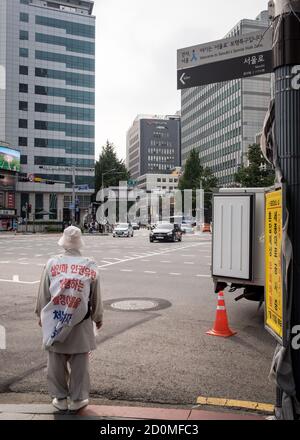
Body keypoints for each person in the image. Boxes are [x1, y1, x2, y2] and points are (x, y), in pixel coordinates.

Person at [35, 226, 103, 412]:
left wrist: (41, 315)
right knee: (80, 363)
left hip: (56, 320)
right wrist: (98, 317)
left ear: (64, 242)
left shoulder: (52, 263)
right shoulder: (90, 265)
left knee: (56, 361)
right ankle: (78, 399)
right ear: (80, 242)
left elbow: (44, 294)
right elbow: (95, 296)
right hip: (81, 322)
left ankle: (60, 398)